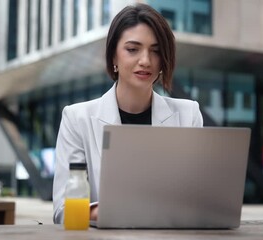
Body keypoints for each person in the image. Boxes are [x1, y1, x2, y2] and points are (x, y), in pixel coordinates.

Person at [53, 3, 203, 224]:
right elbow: (64, 210)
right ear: (113, 57)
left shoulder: (188, 114)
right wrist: (126, 211)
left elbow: (199, 197)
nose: (145, 60)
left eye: (156, 50)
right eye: (133, 49)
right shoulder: (77, 118)